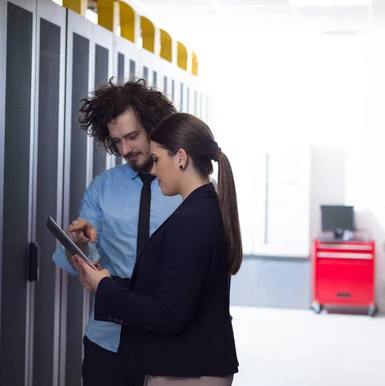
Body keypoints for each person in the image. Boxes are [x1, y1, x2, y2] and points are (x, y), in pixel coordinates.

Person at [74, 113, 242, 386]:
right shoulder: (203, 210)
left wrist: (105, 288)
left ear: (180, 158)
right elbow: (172, 292)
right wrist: (104, 283)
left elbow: (169, 314)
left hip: (187, 370)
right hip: (189, 365)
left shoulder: (191, 220)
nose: (152, 170)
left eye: (156, 160)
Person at [51, 78, 182, 386]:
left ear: (154, 125)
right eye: (117, 140)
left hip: (168, 342)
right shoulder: (104, 186)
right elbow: (73, 261)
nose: (125, 149)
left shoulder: (184, 187)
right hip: (107, 343)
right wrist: (76, 242)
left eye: (132, 136)